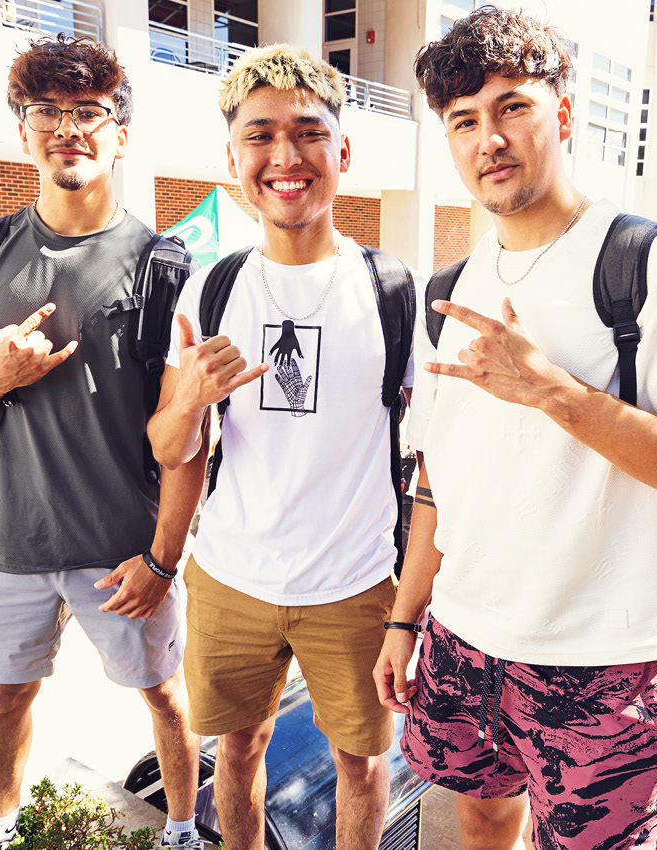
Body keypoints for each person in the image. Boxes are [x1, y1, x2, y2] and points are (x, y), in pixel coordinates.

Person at [376, 10, 657, 850]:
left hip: (601, 655)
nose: (490, 138)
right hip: (462, 636)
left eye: (511, 106)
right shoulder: (452, 283)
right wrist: (407, 619)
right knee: (477, 813)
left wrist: (556, 392)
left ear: (564, 112)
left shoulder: (654, 267)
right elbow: (439, 477)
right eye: (464, 120)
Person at [0, 35, 203, 850]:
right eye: (46, 112)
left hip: (122, 548)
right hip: (7, 540)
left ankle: (182, 830)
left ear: (119, 133)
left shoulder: (167, 266)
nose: (68, 129)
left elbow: (189, 438)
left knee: (165, 695)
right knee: (6, 696)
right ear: (22, 131)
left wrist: (161, 559)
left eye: (89, 114)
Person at [145, 46, 410, 850]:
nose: (286, 157)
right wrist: (188, 398)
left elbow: (428, 459)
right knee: (238, 749)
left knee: (361, 765)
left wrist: (417, 601)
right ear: (234, 158)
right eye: (260, 136)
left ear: (343, 152)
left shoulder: (393, 289)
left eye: (308, 133)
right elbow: (169, 446)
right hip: (231, 574)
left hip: (357, 580)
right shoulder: (209, 287)